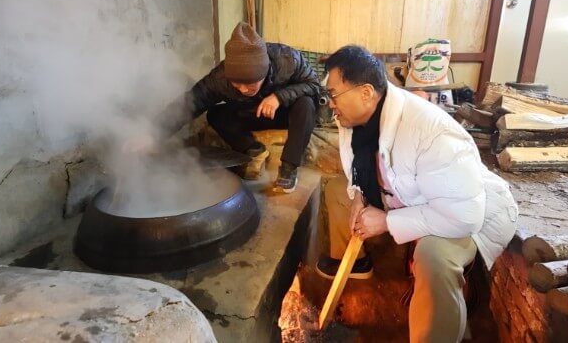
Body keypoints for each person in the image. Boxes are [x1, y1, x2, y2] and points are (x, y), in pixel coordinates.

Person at [315, 45, 518, 342]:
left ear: (366, 92)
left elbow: (464, 217)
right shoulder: (356, 121)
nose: (330, 104)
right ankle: (358, 264)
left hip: (469, 213)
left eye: (334, 94)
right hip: (410, 196)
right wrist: (359, 195)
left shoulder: (430, 132)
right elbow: (358, 170)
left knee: (433, 256)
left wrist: (385, 222)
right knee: (337, 190)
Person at [129, 22, 321, 193]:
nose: (244, 90)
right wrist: (154, 133)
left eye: (251, 85)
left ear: (263, 72)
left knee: (306, 103)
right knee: (216, 114)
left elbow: (315, 86)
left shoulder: (287, 59)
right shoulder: (220, 77)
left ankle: (289, 168)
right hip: (254, 111)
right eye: (238, 85)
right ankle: (254, 149)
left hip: (286, 113)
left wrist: (279, 97)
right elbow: (191, 102)